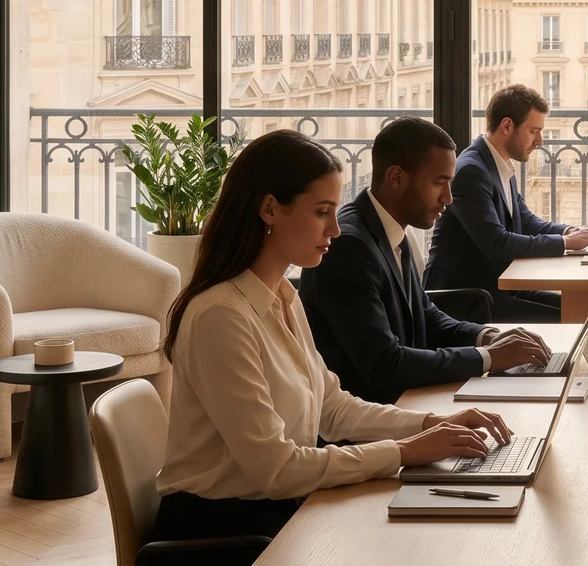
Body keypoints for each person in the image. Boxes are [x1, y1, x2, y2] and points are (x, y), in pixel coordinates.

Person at [151, 129, 512, 544]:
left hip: (279, 510)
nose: (336, 230)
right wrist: (404, 451)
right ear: (270, 209)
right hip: (221, 534)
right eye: (322, 212)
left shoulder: (284, 296)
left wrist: (431, 425)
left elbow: (333, 408)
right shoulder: (220, 316)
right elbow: (278, 470)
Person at [300, 117, 554, 404]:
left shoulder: (389, 228)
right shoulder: (349, 247)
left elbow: (427, 316)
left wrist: (488, 336)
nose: (448, 198)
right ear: (396, 178)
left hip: (411, 400)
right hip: (377, 421)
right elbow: (386, 365)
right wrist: (488, 358)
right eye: (439, 183)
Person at [425, 85, 588, 322]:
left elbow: (526, 221)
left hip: (497, 288)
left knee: (586, 309)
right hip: (467, 300)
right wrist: (565, 242)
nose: (540, 141)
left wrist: (570, 231)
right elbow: (497, 243)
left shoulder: (497, 163)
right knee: (575, 317)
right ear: (507, 126)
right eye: (534, 131)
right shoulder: (471, 171)